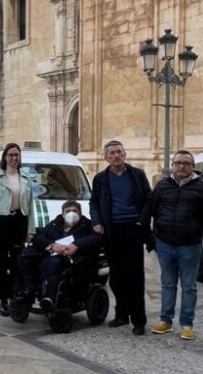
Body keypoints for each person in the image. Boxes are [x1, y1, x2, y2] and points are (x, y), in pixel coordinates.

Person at [138, 149, 203, 340]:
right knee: (167, 284)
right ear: (173, 165)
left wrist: (198, 233)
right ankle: (165, 320)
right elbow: (152, 209)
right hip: (165, 243)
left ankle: (187, 324)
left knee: (189, 286)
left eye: (186, 163)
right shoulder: (162, 186)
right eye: (178, 163)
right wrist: (155, 235)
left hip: (190, 246)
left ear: (192, 167)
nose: (182, 166)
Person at [90, 139, 152, 335]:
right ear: (106, 158)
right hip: (111, 231)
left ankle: (139, 321)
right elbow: (94, 203)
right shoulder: (100, 178)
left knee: (135, 277)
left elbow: (148, 199)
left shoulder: (137, 175)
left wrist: (142, 221)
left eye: (119, 152)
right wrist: (96, 221)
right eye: (112, 153)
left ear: (124, 154)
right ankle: (121, 315)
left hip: (133, 229)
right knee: (116, 277)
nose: (116, 156)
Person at [0, 142, 36, 317]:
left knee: (17, 262)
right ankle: (3, 298)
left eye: (16, 155)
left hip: (19, 221)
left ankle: (15, 295)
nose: (14, 158)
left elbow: (30, 205)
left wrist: (30, 230)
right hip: (1, 221)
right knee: (2, 263)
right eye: (10, 155)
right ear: (5, 157)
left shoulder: (25, 177)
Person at [16, 200, 102, 310]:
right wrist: (52, 245)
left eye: (75, 211)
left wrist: (76, 245)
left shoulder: (87, 226)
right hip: (51, 255)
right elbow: (39, 237)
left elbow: (97, 238)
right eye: (68, 211)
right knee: (24, 256)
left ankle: (50, 297)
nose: (72, 214)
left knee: (55, 263)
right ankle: (27, 291)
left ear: (80, 213)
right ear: (63, 213)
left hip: (73, 260)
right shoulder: (54, 224)